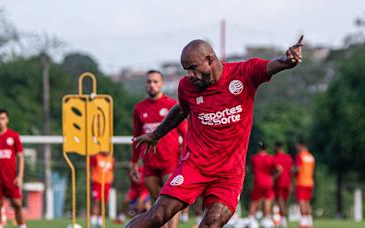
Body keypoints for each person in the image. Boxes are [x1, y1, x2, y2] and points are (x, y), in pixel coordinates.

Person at [126, 35, 304, 228]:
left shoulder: (244, 73)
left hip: (229, 175)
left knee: (212, 222)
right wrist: (155, 134)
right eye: (187, 70)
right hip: (194, 166)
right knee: (158, 215)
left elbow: (273, 64)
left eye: (193, 67)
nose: (190, 75)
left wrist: (287, 60)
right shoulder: (187, 87)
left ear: (210, 60)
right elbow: (180, 110)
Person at [130, 70, 187, 228]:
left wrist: (187, 156)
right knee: (156, 204)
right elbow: (136, 137)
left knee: (171, 201)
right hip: (149, 163)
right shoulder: (139, 108)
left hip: (170, 161)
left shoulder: (172, 105)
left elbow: (186, 132)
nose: (152, 85)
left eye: (155, 81)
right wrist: (134, 162)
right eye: (149, 82)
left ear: (162, 84)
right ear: (145, 85)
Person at [0, 109, 26, 228]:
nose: (0, 121)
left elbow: (20, 157)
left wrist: (19, 176)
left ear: (7, 120)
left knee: (17, 203)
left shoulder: (13, 136)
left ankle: (22, 226)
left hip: (11, 177)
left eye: (2, 118)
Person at [248, 142, 282, 227]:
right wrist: (273, 177)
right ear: (266, 148)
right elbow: (280, 169)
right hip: (268, 181)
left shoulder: (254, 158)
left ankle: (251, 220)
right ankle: (266, 220)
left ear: (258, 148)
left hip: (258, 181)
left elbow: (251, 169)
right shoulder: (270, 158)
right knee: (267, 200)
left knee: (254, 201)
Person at [90, 151, 114, 227]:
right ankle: (93, 219)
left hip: (106, 183)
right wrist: (91, 177)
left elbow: (112, 170)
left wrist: (111, 179)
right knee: (96, 201)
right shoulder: (96, 157)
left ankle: (100, 219)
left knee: (104, 202)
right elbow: (89, 167)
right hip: (97, 182)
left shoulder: (111, 159)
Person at [295, 140, 315, 228]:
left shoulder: (300, 156)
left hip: (301, 181)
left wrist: (292, 170)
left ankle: (303, 222)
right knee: (307, 203)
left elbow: (298, 168)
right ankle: (309, 222)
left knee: (301, 202)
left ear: (301, 146)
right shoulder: (311, 157)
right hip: (310, 182)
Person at [273, 141, 293, 227]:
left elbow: (277, 170)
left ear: (277, 148)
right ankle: (282, 219)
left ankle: (283, 221)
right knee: (283, 202)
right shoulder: (288, 157)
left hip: (279, 182)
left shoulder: (275, 157)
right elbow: (291, 171)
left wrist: (272, 178)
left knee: (280, 201)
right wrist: (292, 183)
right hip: (287, 182)